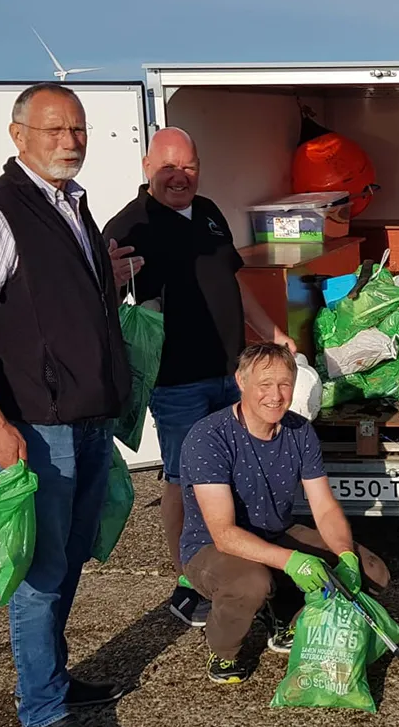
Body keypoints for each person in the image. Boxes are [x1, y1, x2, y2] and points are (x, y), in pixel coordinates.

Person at [0, 82, 134, 727]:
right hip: (39, 425)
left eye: (77, 129)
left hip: (86, 417)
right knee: (40, 573)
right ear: (18, 136)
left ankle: (54, 679)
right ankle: (42, 709)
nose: (69, 142)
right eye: (53, 130)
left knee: (69, 560)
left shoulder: (74, 204)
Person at [102, 127, 297, 629]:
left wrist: (273, 332)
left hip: (232, 373)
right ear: (147, 167)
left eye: (188, 167)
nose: (179, 177)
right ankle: (188, 581)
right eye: (168, 167)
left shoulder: (208, 212)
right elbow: (103, 303)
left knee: (241, 470)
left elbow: (233, 282)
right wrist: (108, 282)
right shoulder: (129, 224)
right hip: (177, 383)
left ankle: (241, 563)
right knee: (183, 479)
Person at [179, 342, 390, 683]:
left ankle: (286, 620)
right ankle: (223, 649)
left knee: (373, 572)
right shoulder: (208, 437)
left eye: (284, 384)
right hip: (211, 546)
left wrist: (346, 555)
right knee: (251, 582)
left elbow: (324, 506)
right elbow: (223, 532)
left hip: (275, 531)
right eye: (264, 384)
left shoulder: (300, 431)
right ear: (241, 382)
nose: (275, 396)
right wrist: (292, 561)